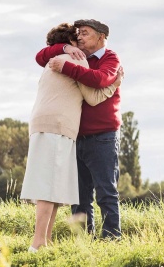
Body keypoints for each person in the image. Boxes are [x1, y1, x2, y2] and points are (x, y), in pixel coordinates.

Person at [21, 22, 123, 252]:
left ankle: (110, 239)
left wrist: (113, 82)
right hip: (65, 131)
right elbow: (93, 97)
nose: (82, 39)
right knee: (75, 193)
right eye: (78, 36)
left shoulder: (109, 58)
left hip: (99, 133)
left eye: (85, 34)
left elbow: (98, 81)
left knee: (103, 190)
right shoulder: (70, 56)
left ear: (101, 37)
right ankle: (68, 242)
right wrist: (65, 51)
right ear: (70, 43)